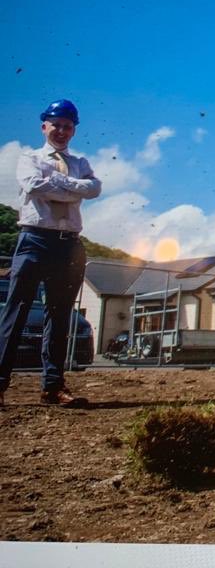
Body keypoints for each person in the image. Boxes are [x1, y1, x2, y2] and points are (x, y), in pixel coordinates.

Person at [0, 100, 101, 407]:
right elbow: (33, 184)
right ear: (44, 126)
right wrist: (72, 188)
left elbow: (94, 188)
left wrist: (58, 184)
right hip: (35, 238)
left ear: (74, 130)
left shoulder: (81, 161)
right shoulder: (29, 158)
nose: (61, 130)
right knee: (15, 310)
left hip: (68, 242)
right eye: (55, 124)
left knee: (59, 316)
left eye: (67, 125)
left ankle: (53, 386)